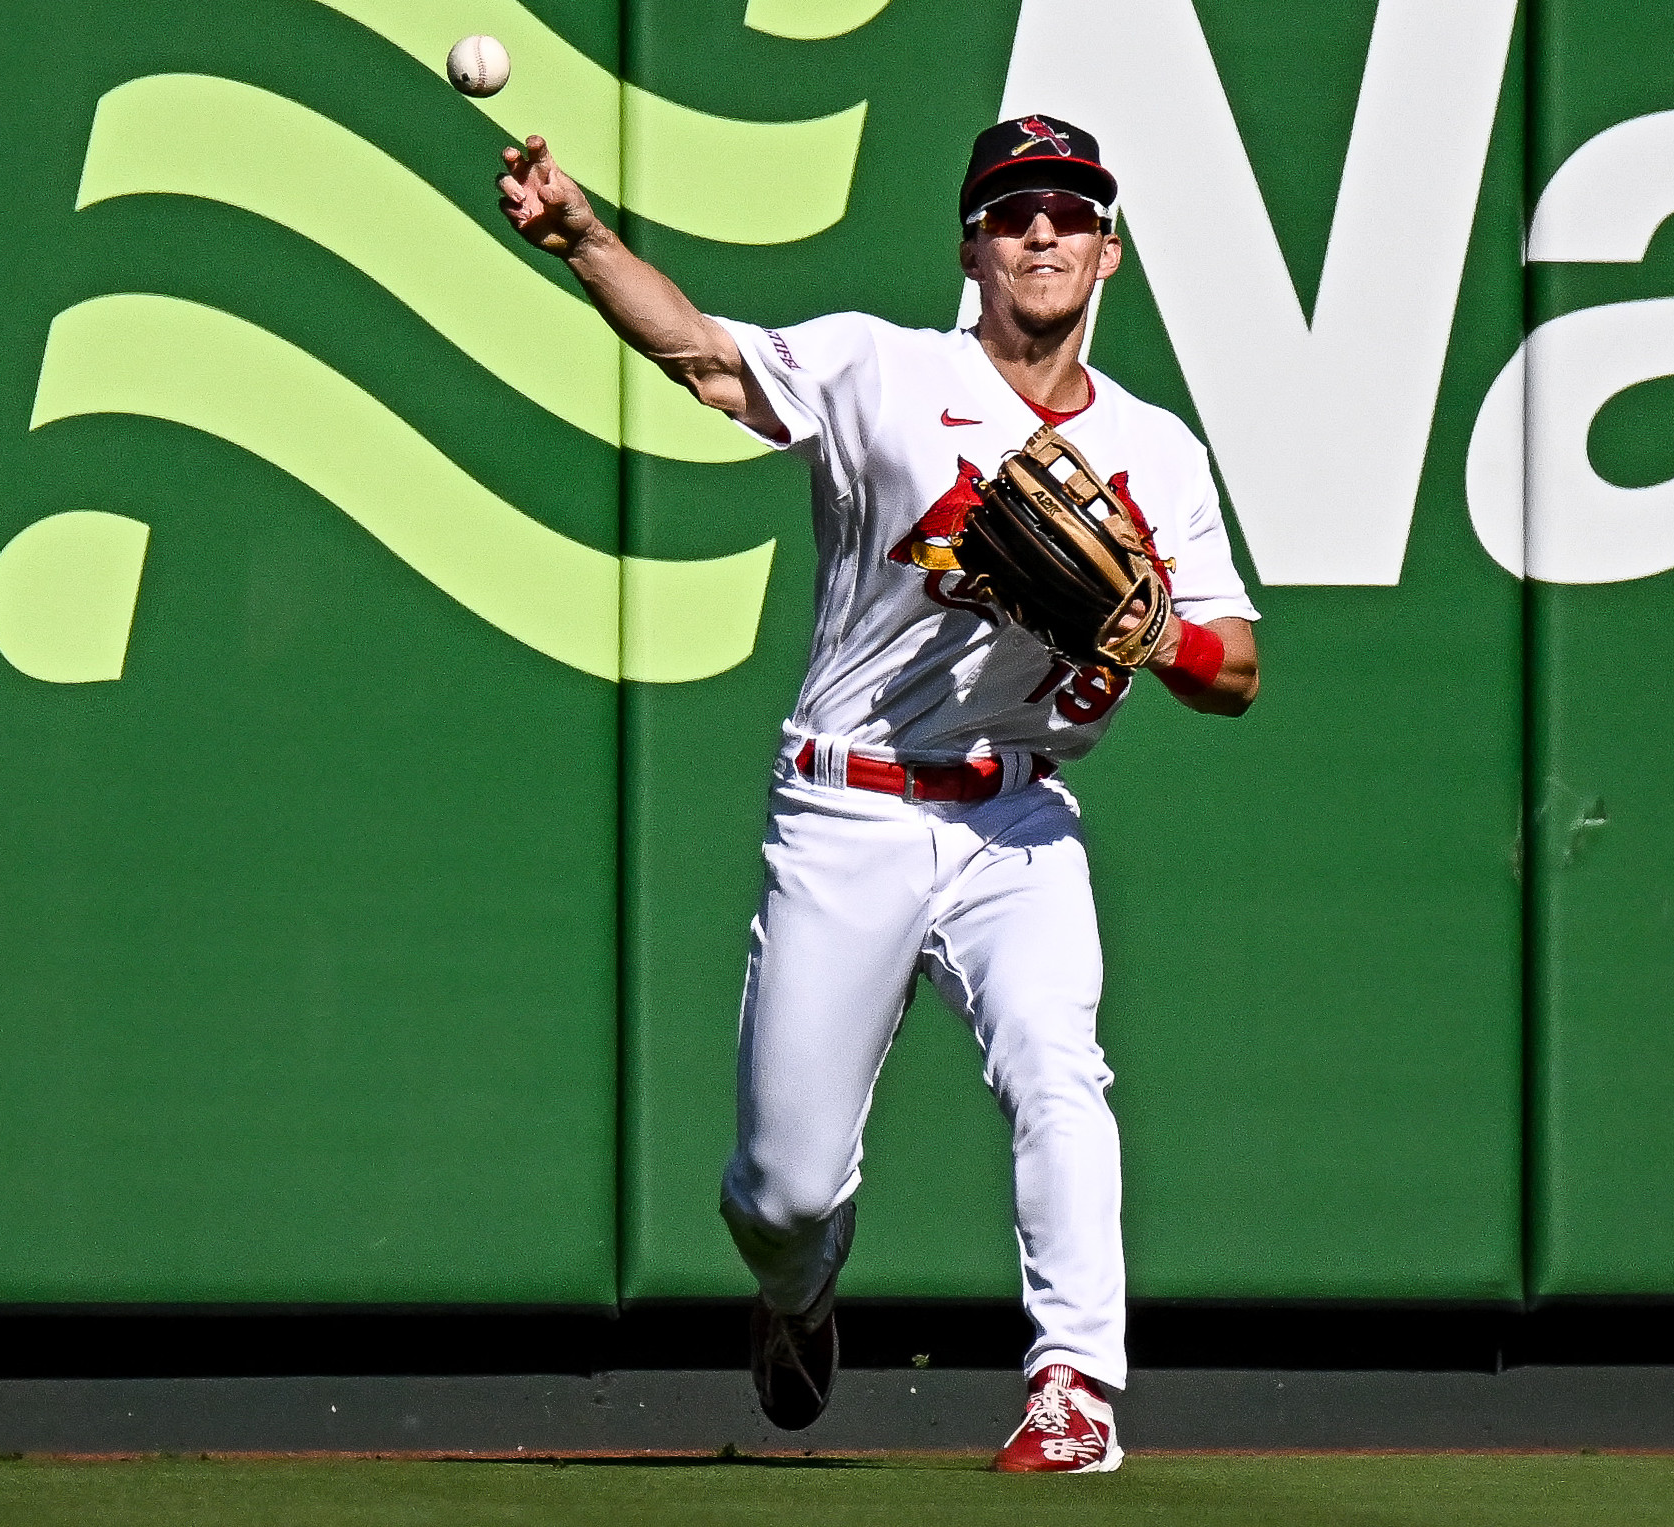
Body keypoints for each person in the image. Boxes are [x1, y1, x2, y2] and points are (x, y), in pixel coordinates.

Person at [499, 113, 1260, 1473]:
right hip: (847, 804)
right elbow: (704, 356)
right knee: (783, 1193)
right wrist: (581, 237)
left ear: (1112, 252)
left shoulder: (1160, 454)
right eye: (1015, 211)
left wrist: (1148, 635)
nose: (1044, 232)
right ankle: (797, 1291)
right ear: (972, 245)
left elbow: (1237, 669)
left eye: (1071, 213)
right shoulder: (883, 371)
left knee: (1058, 1067)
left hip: (1018, 816)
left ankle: (1073, 1387)